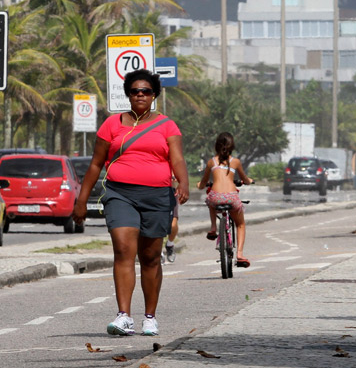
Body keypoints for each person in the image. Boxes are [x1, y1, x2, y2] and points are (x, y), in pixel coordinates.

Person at [72, 69, 189, 337]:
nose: (140, 95)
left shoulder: (167, 125)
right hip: (119, 194)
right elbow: (95, 164)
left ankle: (150, 317)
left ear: (154, 95)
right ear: (127, 94)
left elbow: (178, 158)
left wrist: (183, 182)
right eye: (135, 91)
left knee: (149, 257)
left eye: (145, 91)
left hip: (157, 196)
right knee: (123, 249)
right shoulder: (112, 125)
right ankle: (123, 316)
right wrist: (81, 200)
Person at [197, 132, 253, 267]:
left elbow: (203, 183)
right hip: (231, 197)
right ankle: (239, 254)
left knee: (210, 200)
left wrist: (200, 185)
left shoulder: (211, 162)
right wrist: (249, 181)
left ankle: (213, 227)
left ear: (216, 146)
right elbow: (245, 179)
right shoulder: (235, 162)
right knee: (240, 224)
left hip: (216, 197)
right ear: (232, 147)